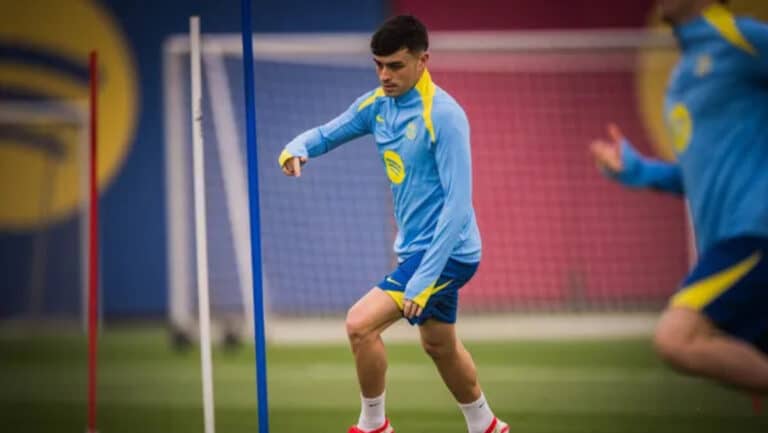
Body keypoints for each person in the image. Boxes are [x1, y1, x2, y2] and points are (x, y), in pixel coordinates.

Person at [278, 14, 509, 433]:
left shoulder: (445, 115)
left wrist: (424, 277)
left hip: (450, 251)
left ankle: (374, 426)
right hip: (418, 251)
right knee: (439, 345)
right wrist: (297, 148)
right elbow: (327, 134)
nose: (385, 75)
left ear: (423, 60)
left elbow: (458, 208)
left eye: (395, 66)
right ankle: (487, 426)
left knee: (360, 324)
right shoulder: (376, 106)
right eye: (378, 65)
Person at [590, 0, 768, 395]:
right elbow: (697, 177)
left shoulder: (744, 39)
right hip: (725, 244)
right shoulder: (680, 78)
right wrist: (635, 170)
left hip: (755, 236)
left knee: (677, 338)